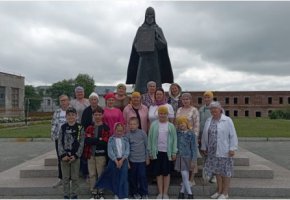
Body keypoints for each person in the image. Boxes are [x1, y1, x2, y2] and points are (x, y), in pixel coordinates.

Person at [126, 7, 173, 94]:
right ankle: (139, 96)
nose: (149, 17)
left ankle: (157, 96)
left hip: (154, 60)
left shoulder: (157, 29)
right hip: (143, 60)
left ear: (154, 16)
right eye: (148, 15)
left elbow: (163, 43)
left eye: (151, 15)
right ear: (145, 16)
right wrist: (140, 46)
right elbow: (135, 44)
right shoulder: (141, 29)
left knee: (155, 81)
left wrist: (155, 41)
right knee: (141, 81)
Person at [201, 101, 238, 199]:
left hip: (224, 150)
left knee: (225, 172)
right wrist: (204, 146)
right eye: (211, 109)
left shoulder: (227, 120)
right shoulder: (209, 120)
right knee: (217, 171)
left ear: (220, 109)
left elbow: (233, 135)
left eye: (215, 108)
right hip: (212, 151)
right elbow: (205, 134)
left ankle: (225, 193)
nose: (213, 111)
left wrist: (232, 148)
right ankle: (219, 190)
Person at [147, 105, 177, 199]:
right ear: (158, 114)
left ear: (167, 115)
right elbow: (150, 139)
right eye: (161, 113)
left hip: (167, 153)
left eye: (164, 113)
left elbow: (175, 140)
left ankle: (165, 193)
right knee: (158, 173)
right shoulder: (154, 125)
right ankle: (160, 193)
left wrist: (174, 152)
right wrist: (151, 152)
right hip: (157, 152)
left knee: (166, 173)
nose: (162, 115)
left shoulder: (171, 126)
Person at [95, 122, 130, 199]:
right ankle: (117, 194)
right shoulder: (111, 139)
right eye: (118, 130)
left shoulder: (125, 139)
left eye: (121, 131)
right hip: (114, 161)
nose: (119, 132)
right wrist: (116, 161)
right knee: (115, 177)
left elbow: (127, 150)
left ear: (123, 131)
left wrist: (122, 160)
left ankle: (124, 195)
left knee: (123, 177)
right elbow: (110, 151)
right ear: (114, 130)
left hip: (123, 160)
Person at [82, 107, 110, 199]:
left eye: (99, 114)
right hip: (90, 154)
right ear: (93, 116)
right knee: (92, 174)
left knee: (100, 173)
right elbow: (87, 141)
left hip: (101, 154)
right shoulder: (90, 127)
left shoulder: (105, 127)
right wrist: (99, 139)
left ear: (102, 115)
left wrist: (94, 140)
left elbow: (105, 142)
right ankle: (94, 192)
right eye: (95, 115)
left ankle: (101, 192)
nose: (97, 116)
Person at [58, 107, 85, 199]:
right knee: (65, 178)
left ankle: (74, 195)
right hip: (64, 157)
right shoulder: (63, 127)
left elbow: (81, 142)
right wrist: (63, 155)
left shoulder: (80, 127)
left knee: (75, 178)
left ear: (76, 116)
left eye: (73, 115)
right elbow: (60, 142)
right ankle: (66, 195)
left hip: (75, 157)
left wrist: (77, 155)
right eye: (69, 115)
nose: (71, 117)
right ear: (66, 116)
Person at [176, 92, 200, 185]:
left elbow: (197, 124)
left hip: (190, 137)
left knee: (192, 158)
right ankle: (185, 179)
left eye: (187, 99)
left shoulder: (194, 110)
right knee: (183, 158)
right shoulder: (179, 110)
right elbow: (177, 124)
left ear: (190, 100)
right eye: (183, 99)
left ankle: (191, 180)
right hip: (181, 137)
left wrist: (195, 137)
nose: (185, 101)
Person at [126, 117, 149, 199]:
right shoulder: (127, 135)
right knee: (133, 178)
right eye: (130, 124)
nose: (132, 126)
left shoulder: (142, 133)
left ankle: (144, 193)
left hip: (142, 160)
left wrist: (147, 158)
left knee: (142, 176)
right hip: (132, 160)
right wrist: (127, 161)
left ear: (138, 125)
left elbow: (147, 146)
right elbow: (127, 149)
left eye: (134, 124)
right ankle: (134, 192)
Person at [175, 116, 197, 199]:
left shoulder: (191, 134)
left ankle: (183, 193)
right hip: (180, 156)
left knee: (185, 175)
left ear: (186, 124)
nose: (181, 125)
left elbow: (194, 148)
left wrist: (193, 160)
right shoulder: (177, 133)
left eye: (183, 123)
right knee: (184, 174)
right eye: (179, 123)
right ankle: (189, 194)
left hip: (188, 157)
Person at [51, 94, 70, 188]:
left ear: (68, 101)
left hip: (69, 140)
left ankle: (69, 179)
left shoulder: (72, 111)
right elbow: (54, 124)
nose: (63, 102)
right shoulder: (57, 112)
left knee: (70, 159)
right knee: (60, 159)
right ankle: (61, 178)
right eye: (62, 100)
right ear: (60, 102)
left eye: (65, 100)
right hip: (59, 139)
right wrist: (54, 137)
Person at [199, 91, 216, 184]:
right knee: (205, 155)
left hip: (213, 136)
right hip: (203, 135)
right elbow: (199, 122)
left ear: (212, 98)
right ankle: (206, 172)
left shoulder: (216, 108)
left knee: (212, 155)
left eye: (208, 97)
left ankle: (213, 175)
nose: (207, 99)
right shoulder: (201, 109)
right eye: (205, 97)